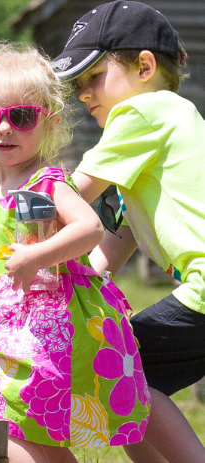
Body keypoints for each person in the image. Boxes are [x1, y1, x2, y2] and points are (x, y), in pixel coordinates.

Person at [0, 42, 150, 463]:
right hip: (26, 336)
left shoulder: (49, 180)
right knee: (28, 436)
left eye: (20, 117)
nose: (3, 129)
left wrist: (38, 256)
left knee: (8, 430)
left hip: (52, 339)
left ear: (47, 123)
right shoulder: (4, 181)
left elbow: (88, 228)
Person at [50, 2, 205, 461]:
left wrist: (11, 208)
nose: (83, 94)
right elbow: (107, 254)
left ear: (144, 67)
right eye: (77, 86)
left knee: (122, 372)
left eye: (94, 78)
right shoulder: (162, 134)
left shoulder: (143, 113)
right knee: (119, 382)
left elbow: (70, 194)